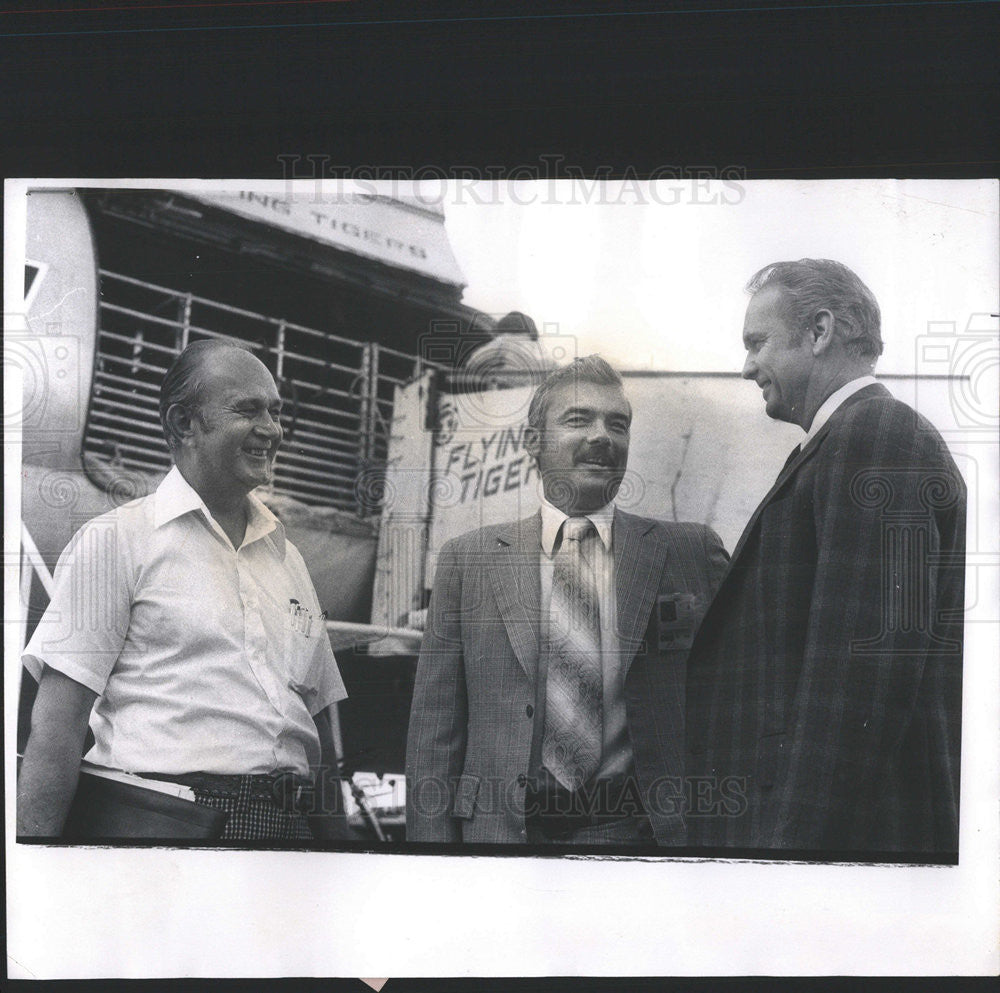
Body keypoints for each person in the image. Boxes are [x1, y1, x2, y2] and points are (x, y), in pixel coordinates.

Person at [686, 259, 966, 856]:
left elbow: (864, 676)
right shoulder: (852, 441)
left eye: (757, 343)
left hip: (838, 841)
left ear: (819, 332)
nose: (745, 367)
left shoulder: (877, 437)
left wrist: (791, 853)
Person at [17, 340, 349, 842]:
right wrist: (38, 868)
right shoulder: (117, 540)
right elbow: (56, 735)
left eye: (277, 413)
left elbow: (320, 731)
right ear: (182, 424)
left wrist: (340, 853)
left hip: (290, 837)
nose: (272, 430)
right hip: (168, 831)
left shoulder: (290, 559)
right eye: (247, 410)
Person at [406, 355, 729, 845]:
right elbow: (434, 733)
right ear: (531, 442)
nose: (603, 436)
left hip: (638, 842)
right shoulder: (468, 562)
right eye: (578, 419)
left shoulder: (689, 553)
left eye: (617, 424)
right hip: (500, 843)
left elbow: (735, 705)